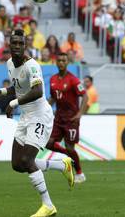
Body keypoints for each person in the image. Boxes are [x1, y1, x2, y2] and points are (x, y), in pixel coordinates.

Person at [0, 29, 74, 217]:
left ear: (25, 46)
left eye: (21, 43)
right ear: (9, 45)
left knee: (27, 160)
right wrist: (1, 93)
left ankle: (48, 205)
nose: (17, 46)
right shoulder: (10, 63)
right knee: (17, 164)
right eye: (14, 43)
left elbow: (37, 91)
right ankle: (62, 165)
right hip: (26, 117)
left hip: (40, 116)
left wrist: (12, 103)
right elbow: (18, 87)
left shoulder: (32, 65)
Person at [48, 52, 88, 184]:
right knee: (48, 143)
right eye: (59, 60)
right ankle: (68, 154)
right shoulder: (52, 79)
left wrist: (79, 114)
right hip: (58, 118)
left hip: (71, 119)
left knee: (71, 148)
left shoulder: (74, 80)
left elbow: (85, 96)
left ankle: (80, 173)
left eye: (64, 61)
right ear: (56, 62)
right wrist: (45, 108)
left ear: (67, 63)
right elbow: (54, 97)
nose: (61, 63)